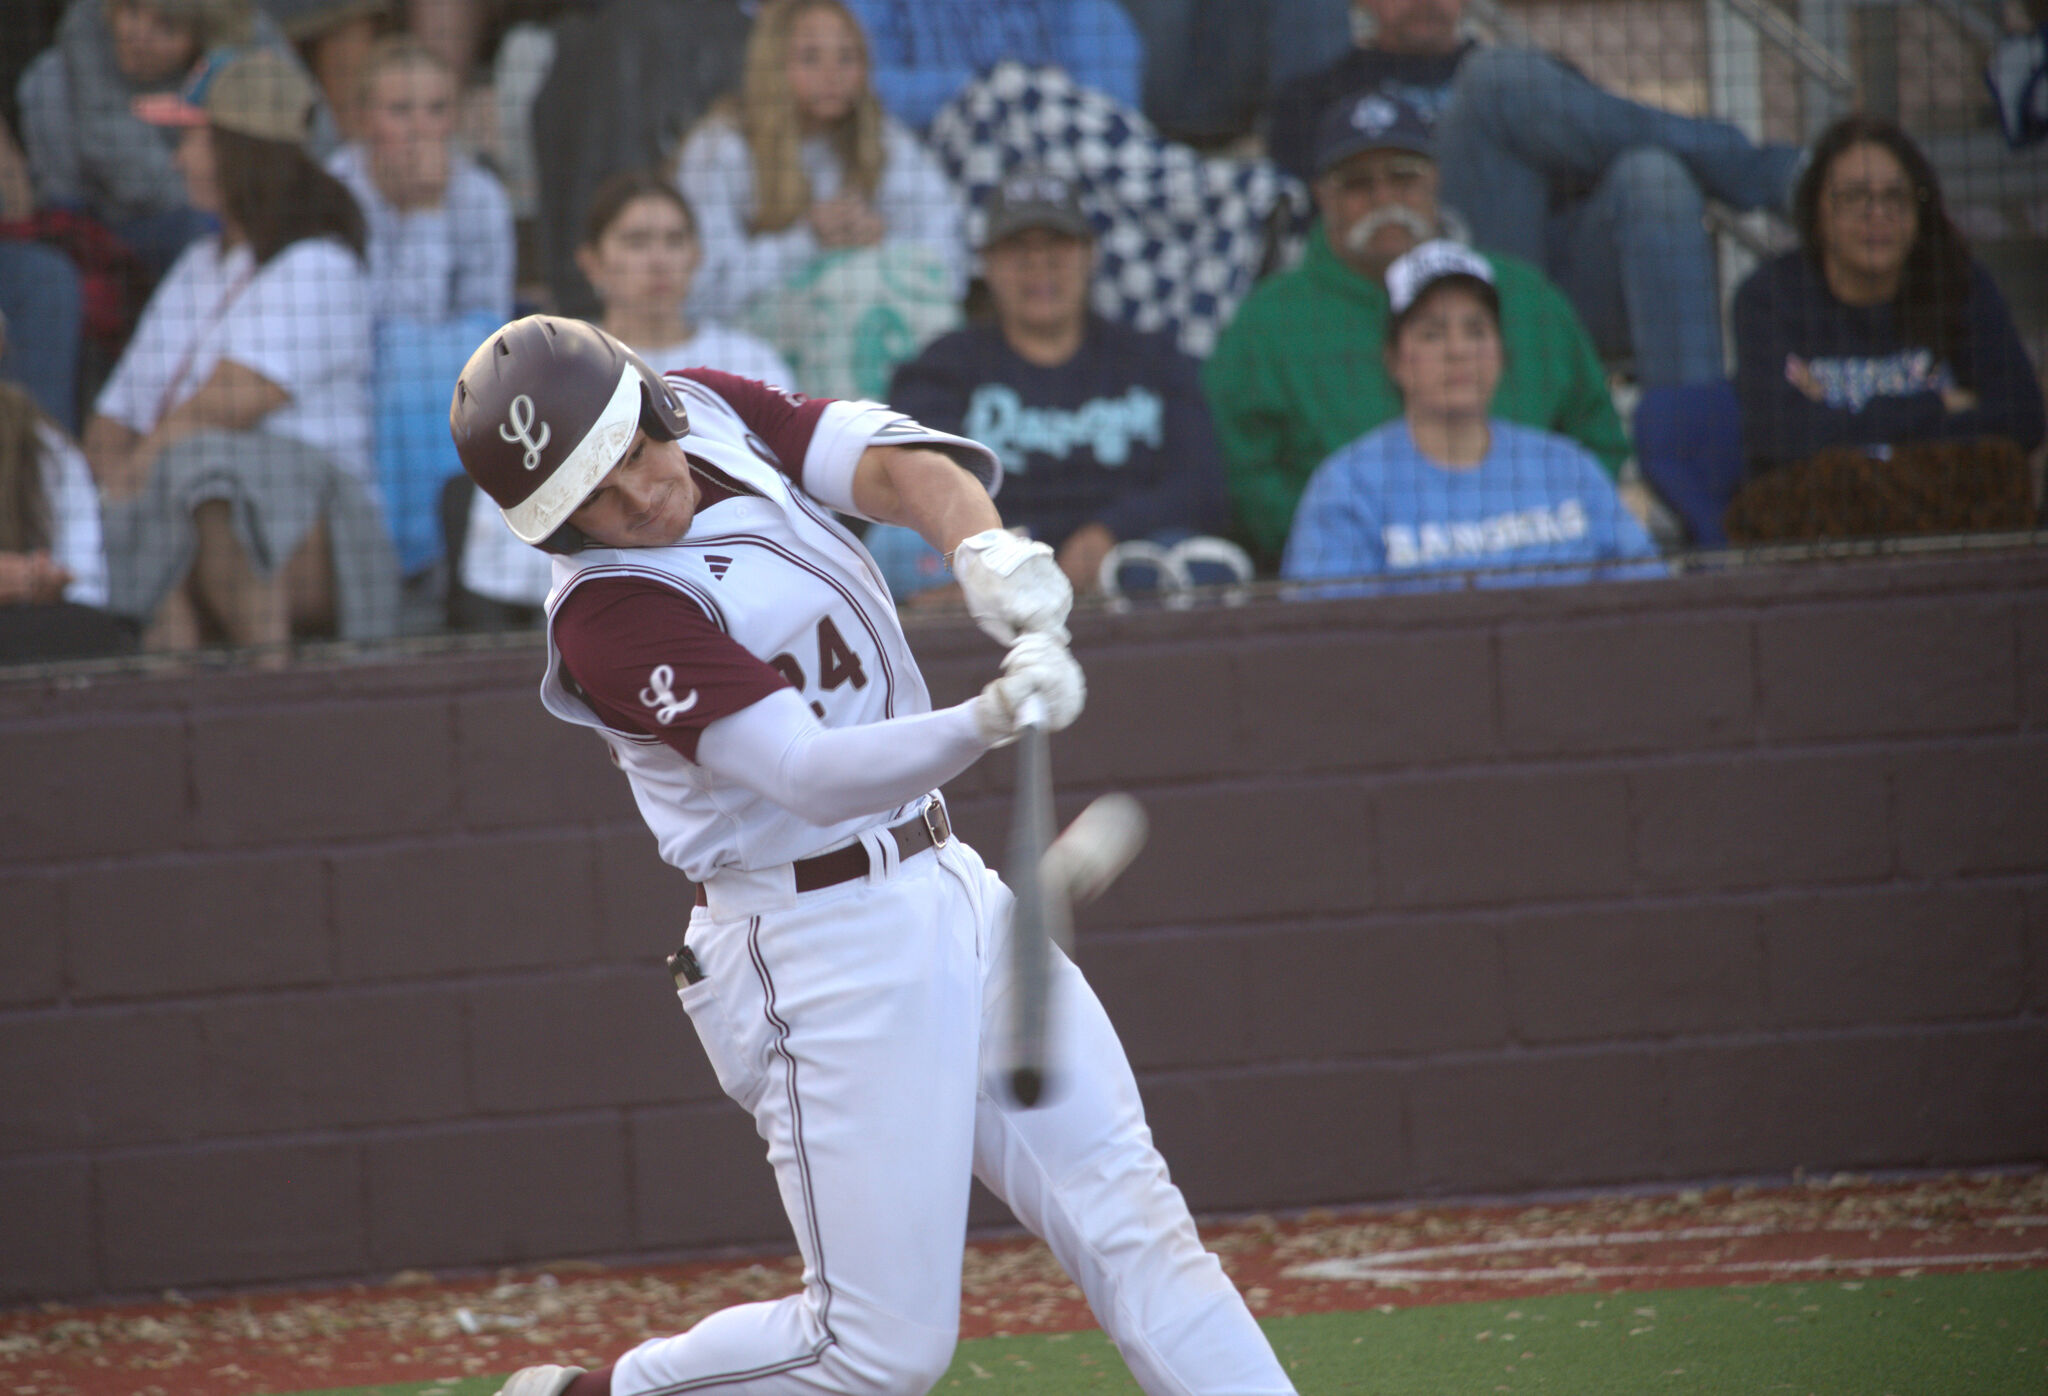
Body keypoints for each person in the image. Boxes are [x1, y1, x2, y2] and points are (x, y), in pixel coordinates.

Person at [445, 315, 1298, 1396]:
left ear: (652, 407)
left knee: (1135, 1221)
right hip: (810, 944)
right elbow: (806, 770)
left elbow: (899, 471)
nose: (637, 504)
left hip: (945, 883)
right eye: (590, 505)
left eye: (632, 460)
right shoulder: (610, 617)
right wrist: (984, 717)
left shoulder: (706, 407)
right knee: (876, 1350)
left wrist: (986, 550)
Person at [1266, 0, 1802, 403]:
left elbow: (1599, 186)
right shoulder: (1315, 96)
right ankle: (1766, 172)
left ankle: (1692, 437)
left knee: (1651, 175)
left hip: (1550, 291)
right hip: (1425, 288)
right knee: (1499, 79)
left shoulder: (1538, 76)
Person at [1203, 91, 1627, 572]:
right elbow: (1236, 471)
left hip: (1535, 567)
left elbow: (1598, 437)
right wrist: (1350, 532)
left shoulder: (1524, 296)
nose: (1384, 199)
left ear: (1435, 181)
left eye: (1403, 178)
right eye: (1358, 185)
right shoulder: (1269, 322)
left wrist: (1524, 531)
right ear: (1322, 195)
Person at [81, 46, 398, 655]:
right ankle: (171, 707)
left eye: (192, 141)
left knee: (202, 471)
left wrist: (126, 484)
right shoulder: (198, 264)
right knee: (171, 489)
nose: (177, 161)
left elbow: (226, 404)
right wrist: (108, 483)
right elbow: (114, 414)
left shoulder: (321, 262)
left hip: (325, 522)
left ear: (239, 151)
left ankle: (267, 676)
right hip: (175, 496)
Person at [862, 167, 1229, 602]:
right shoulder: (943, 367)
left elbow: (1203, 484)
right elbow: (922, 484)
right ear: (987, 263)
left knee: (1197, 561)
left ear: (1090, 255)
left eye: (1057, 247)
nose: (1039, 266)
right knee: (899, 553)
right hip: (992, 571)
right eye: (1018, 250)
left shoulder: (1153, 359)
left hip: (1126, 573)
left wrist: (1107, 533)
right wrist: (1022, 554)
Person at [455, 170, 796, 618]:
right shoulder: (543, 371)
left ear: (696, 255)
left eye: (674, 241)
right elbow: (495, 560)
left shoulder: (750, 359)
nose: (658, 261)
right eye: (636, 242)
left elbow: (793, 500)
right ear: (591, 262)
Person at [1283, 239, 1662, 591]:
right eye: (1432, 334)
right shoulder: (1349, 487)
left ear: (1501, 351)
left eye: (1476, 331)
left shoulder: (1568, 468)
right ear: (1395, 360)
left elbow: (1648, 605)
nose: (1458, 351)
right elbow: (1325, 643)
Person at [673, 0, 966, 400]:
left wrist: (882, 243)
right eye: (810, 57)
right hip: (747, 356)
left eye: (847, 57)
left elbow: (949, 263)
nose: (833, 74)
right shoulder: (720, 149)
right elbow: (698, 291)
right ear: (772, 65)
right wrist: (808, 241)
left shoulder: (885, 141)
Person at [1732, 113, 2046, 476]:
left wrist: (1838, 419)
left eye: (1896, 196)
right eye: (1854, 197)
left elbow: (2022, 418)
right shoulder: (1771, 297)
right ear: (1816, 211)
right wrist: (1939, 404)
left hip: (1944, 513)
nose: (1878, 214)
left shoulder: (1960, 283)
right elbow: (1778, 439)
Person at [18, 0, 335, 276]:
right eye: (131, 8)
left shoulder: (246, 34)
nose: (137, 34)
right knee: (47, 80)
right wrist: (219, 206)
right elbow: (125, 172)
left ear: (203, 35)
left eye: (165, 25)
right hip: (124, 211)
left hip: (236, 201)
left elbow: (317, 135)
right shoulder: (88, 27)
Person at [325, 34, 512, 325]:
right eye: (400, 110)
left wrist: (427, 205)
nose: (420, 129)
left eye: (436, 109)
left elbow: (488, 321)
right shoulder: (333, 190)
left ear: (454, 119)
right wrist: (426, 209)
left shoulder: (482, 195)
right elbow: (379, 325)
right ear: (363, 120)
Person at [0, 356, 136, 663]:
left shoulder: (44, 447)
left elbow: (86, 586)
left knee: (88, 631)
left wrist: (40, 583)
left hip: (26, 626)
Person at [841, 0, 1143, 133]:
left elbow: (1115, 100)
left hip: (1061, 149)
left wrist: (1031, 98)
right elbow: (856, 83)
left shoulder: (1080, 9)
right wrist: (989, 88)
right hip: (938, 156)